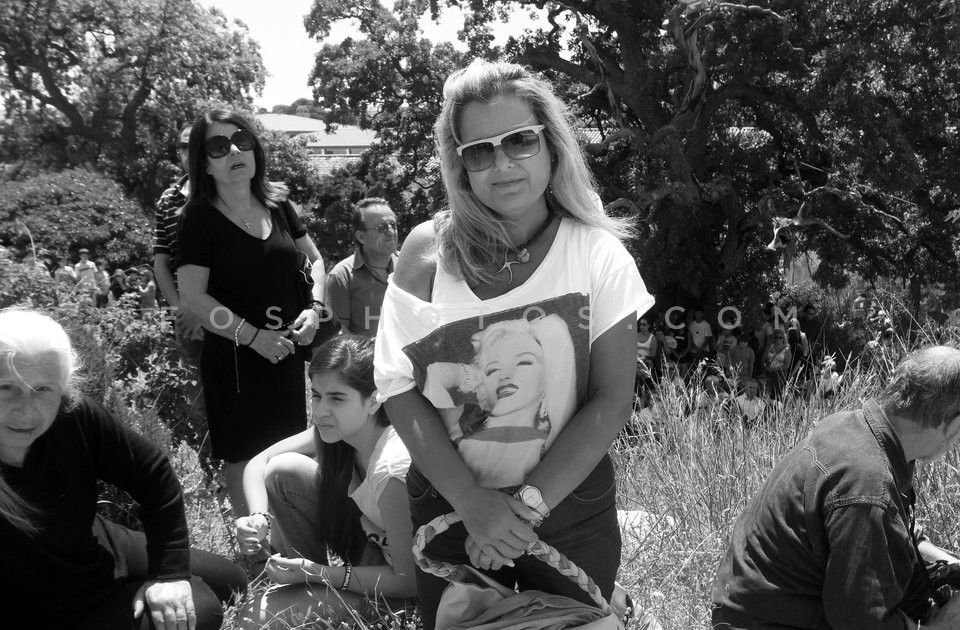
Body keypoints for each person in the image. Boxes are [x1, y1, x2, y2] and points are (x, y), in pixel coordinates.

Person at [374, 59, 654, 629]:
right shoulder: (426, 253)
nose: (502, 163)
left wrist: (523, 510)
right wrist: (473, 506)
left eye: (520, 140)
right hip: (451, 511)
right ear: (461, 165)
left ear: (551, 145)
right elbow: (398, 387)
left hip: (570, 511)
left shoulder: (596, 253)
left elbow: (610, 401)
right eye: (479, 151)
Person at [0, 309, 247, 629]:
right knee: (200, 610)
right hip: (40, 606)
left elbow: (152, 472)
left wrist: (168, 575)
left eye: (42, 389)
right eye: (7, 387)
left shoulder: (71, 413)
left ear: (62, 388)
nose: (26, 409)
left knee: (230, 580)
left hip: (92, 549)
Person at [711, 346, 960, 629]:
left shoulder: (854, 428)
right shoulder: (867, 482)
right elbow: (859, 621)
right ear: (953, 424)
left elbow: (893, 527)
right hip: (769, 621)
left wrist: (948, 563)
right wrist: (945, 624)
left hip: (748, 608)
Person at [177, 109, 326, 517]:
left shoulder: (278, 204)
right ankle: (258, 556)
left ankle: (298, 546)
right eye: (218, 147)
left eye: (242, 140)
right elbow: (193, 297)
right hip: (235, 363)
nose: (234, 152)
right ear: (204, 163)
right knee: (244, 458)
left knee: (289, 451)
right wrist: (254, 337)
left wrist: (315, 309)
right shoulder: (198, 219)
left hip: (285, 354)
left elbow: (313, 260)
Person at [234, 335, 416, 627]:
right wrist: (257, 517)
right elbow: (261, 462)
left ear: (374, 399)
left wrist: (317, 572)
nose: (320, 410)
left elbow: (410, 582)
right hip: (371, 559)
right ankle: (301, 582)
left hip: (404, 589)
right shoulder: (336, 430)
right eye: (316, 394)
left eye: (337, 398)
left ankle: (311, 586)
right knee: (283, 469)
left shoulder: (392, 467)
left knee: (256, 620)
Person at [154, 123, 205, 362]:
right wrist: (180, 309)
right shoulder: (168, 198)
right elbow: (161, 263)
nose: (190, 152)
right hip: (187, 316)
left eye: (197, 145)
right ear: (178, 152)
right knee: (197, 394)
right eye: (185, 146)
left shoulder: (224, 193)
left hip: (228, 312)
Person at [326, 198, 400, 338]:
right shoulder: (341, 276)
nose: (391, 232)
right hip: (366, 358)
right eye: (382, 228)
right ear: (361, 236)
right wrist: (369, 349)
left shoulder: (408, 265)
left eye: (393, 225)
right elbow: (338, 332)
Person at [762, 327, 791, 399]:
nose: (778, 340)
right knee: (765, 394)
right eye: (776, 337)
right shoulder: (770, 347)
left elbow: (787, 365)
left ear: (783, 338)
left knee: (775, 396)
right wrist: (766, 367)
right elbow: (763, 359)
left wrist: (775, 369)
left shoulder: (786, 349)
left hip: (779, 376)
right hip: (768, 374)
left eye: (780, 337)